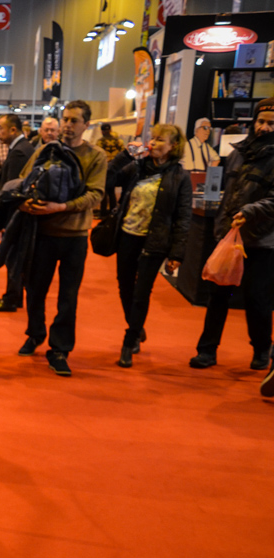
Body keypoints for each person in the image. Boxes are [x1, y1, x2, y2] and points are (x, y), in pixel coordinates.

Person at [18, 100, 107, 377]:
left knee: (68, 296)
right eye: (65, 119)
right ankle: (35, 333)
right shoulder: (46, 149)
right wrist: (24, 203)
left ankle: (60, 349)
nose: (68, 125)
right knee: (34, 289)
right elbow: (23, 180)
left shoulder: (96, 156)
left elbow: (95, 194)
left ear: (86, 125)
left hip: (75, 236)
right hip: (42, 233)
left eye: (74, 120)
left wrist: (61, 207)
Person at [189, 98, 274, 372]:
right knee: (218, 295)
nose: (264, 127)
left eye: (271, 123)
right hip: (230, 236)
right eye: (261, 121)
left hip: (262, 241)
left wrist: (250, 212)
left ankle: (262, 348)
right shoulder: (238, 152)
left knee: (257, 299)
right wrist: (221, 228)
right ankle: (207, 350)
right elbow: (228, 194)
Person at [105, 124, 192, 367]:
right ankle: (136, 326)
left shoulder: (180, 177)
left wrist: (177, 253)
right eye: (152, 138)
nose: (152, 143)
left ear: (173, 146)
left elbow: (183, 217)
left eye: (160, 140)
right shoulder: (137, 167)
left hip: (155, 241)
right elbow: (108, 179)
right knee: (125, 287)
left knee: (141, 292)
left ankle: (129, 340)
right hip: (127, 235)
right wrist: (125, 155)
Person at [0, 114, 37, 312]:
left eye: (0, 128)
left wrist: (5, 217)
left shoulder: (20, 151)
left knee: (13, 256)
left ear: (13, 130)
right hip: (20, 213)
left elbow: (13, 189)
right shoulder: (23, 148)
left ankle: (11, 298)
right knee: (16, 256)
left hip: (17, 214)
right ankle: (15, 296)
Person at [96, 123, 125, 218]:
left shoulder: (100, 142)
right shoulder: (118, 141)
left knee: (103, 192)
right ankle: (113, 212)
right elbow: (123, 154)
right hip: (115, 169)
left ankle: (103, 212)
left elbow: (97, 155)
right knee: (111, 191)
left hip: (104, 169)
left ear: (102, 131)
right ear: (111, 130)